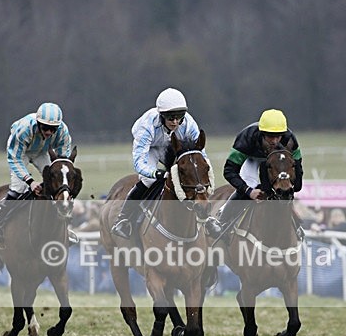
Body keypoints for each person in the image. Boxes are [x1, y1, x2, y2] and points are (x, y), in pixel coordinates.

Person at [110, 88, 206, 239]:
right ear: (161, 116)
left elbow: (201, 156)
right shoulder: (146, 127)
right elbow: (139, 162)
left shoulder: (188, 123)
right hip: (151, 148)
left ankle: (206, 217)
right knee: (149, 179)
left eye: (179, 117)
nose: (175, 122)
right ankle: (124, 218)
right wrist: (156, 172)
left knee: (191, 174)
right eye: (170, 117)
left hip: (173, 146)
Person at [204, 109, 304, 238]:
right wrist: (248, 191)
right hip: (252, 159)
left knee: (284, 187)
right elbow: (229, 171)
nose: (274, 141)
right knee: (249, 184)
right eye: (270, 136)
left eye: (278, 136)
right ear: (262, 134)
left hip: (276, 161)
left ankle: (295, 225)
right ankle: (222, 221)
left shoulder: (290, 140)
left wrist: (292, 186)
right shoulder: (247, 138)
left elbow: (298, 171)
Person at [0, 102, 73, 245]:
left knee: (58, 185)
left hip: (42, 152)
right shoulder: (24, 130)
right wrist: (30, 181)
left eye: (53, 129)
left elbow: (63, 161)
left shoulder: (63, 131)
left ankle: (64, 227)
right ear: (38, 123)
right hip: (20, 153)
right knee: (18, 188)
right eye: (45, 128)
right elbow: (14, 159)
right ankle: (0, 224)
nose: (49, 132)